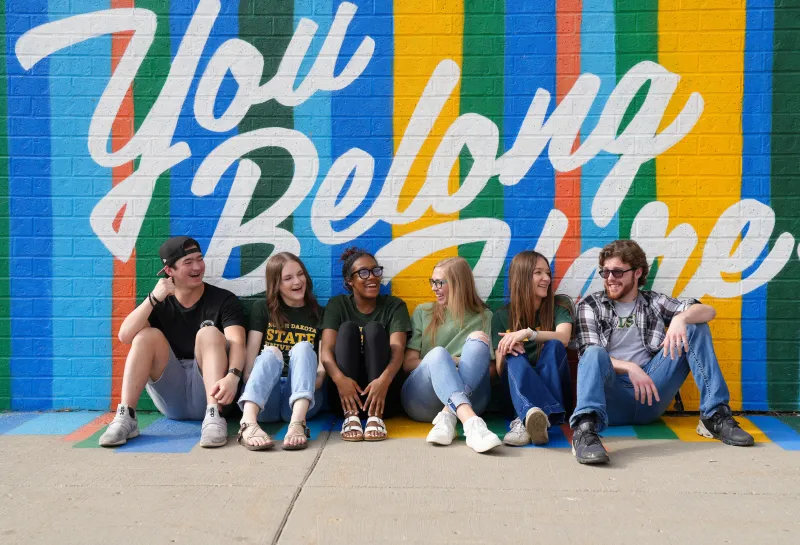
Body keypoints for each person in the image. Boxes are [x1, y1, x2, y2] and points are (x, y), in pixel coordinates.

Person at [570, 239, 754, 465]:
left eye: (617, 272)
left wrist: (681, 318)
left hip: (651, 393)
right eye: (605, 272)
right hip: (611, 400)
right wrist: (630, 367)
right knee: (594, 353)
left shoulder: (654, 302)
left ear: (637, 272)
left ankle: (714, 416)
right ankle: (585, 431)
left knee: (695, 327)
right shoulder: (591, 305)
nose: (610, 279)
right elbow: (587, 354)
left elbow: (708, 311)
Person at [99, 236, 246, 448]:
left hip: (213, 393)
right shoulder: (159, 302)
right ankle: (126, 417)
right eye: (188, 262)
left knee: (209, 333)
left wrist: (233, 376)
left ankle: (214, 416)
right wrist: (152, 299)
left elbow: (238, 343)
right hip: (171, 394)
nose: (197, 267)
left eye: (199, 259)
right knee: (145, 336)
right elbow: (124, 336)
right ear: (170, 271)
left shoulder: (223, 300)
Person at [401, 257, 502, 453]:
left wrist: (460, 367)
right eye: (433, 282)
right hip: (422, 400)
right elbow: (408, 363)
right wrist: (451, 362)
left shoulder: (485, 316)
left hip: (473, 397)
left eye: (439, 282)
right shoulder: (423, 312)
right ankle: (472, 424)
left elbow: (490, 370)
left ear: (458, 284)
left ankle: (449, 415)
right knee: (438, 354)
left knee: (478, 339)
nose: (434, 288)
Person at [235, 252, 326, 451]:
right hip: (264, 399)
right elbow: (249, 369)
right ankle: (248, 423)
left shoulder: (320, 314)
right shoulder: (262, 309)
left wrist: (305, 382)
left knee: (302, 347)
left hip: (303, 401)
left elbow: (321, 373)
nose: (297, 281)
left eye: (300, 274)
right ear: (276, 284)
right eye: (288, 278)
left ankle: (297, 425)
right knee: (269, 353)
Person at [319, 248, 410, 442]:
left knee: (375, 329)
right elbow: (326, 350)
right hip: (344, 397)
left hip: (384, 396)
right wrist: (340, 380)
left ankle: (375, 417)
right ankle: (351, 416)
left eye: (376, 271)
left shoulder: (394, 306)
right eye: (363, 272)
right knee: (347, 329)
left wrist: (383, 382)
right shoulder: (338, 304)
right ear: (349, 281)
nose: (372, 277)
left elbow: (398, 349)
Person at [493, 251, 574, 446]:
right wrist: (509, 348)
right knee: (511, 353)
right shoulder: (501, 316)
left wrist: (528, 333)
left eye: (547, 273)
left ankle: (526, 418)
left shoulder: (560, 305)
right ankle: (533, 416)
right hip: (515, 392)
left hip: (553, 384)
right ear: (522, 277)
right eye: (538, 273)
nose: (546, 278)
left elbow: (563, 338)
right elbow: (499, 370)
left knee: (554, 345)